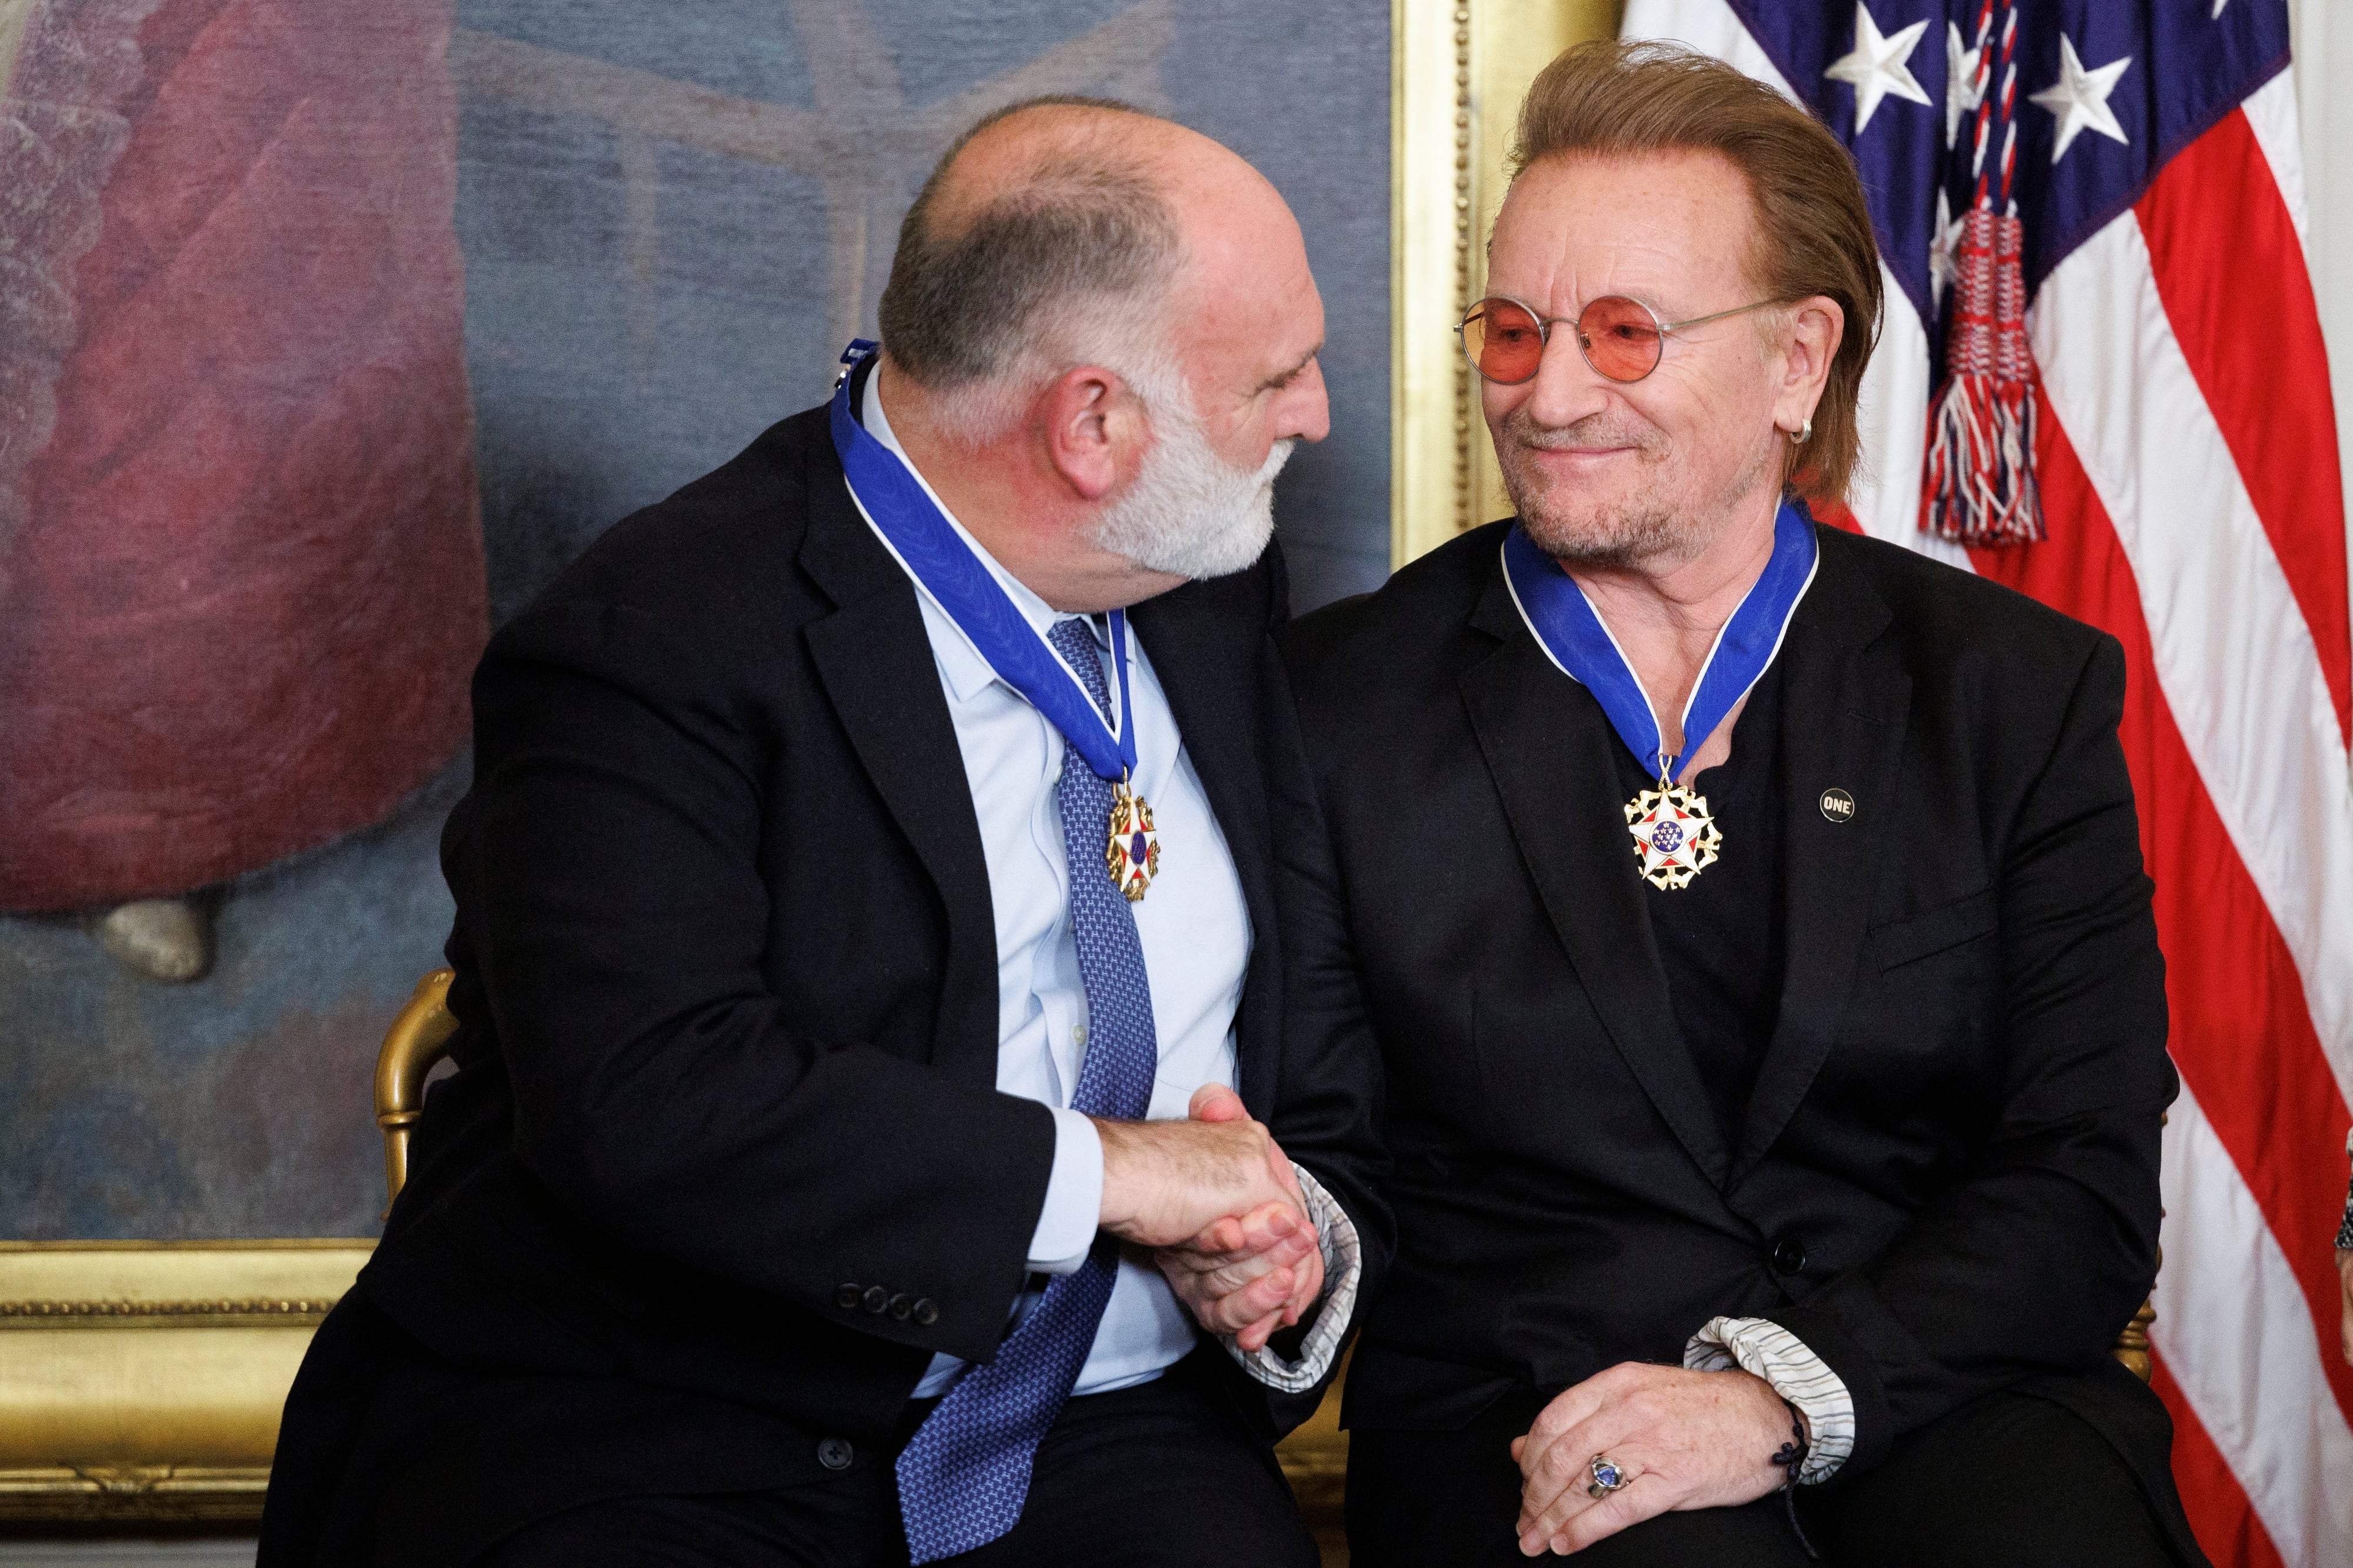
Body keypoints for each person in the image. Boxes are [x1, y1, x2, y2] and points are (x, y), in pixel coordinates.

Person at [258, 96, 1386, 1567]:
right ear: (1092, 421)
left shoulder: (1205, 569)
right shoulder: (649, 638)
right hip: (673, 1418)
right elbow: (650, 1095)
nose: (1310, 414)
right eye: (1275, 378)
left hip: (1098, 1429)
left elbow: (1308, 1008)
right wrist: (1116, 1176)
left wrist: (1285, 1240)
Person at [1279, 42, 2204, 1567]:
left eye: (1626, 334)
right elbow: (1324, 1174)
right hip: (1542, 1426)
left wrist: (1783, 1390)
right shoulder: (1332, 705)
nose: (1549, 393)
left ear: (1795, 360)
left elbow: (2082, 1179)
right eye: (1515, 332)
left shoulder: (2010, 692)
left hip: (1939, 1397)